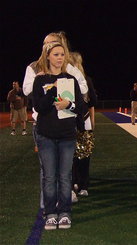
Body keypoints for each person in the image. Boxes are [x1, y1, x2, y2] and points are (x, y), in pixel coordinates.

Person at [22, 31, 88, 211]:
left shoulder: (68, 67)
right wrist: (43, 81)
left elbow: (83, 86)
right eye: (46, 43)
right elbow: (27, 90)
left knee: (65, 170)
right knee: (47, 171)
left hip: (65, 122)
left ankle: (64, 203)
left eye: (53, 43)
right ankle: (48, 206)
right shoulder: (34, 67)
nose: (49, 46)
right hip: (43, 123)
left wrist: (67, 89)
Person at [33, 42, 84, 230]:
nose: (60, 57)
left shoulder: (71, 79)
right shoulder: (40, 81)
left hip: (67, 136)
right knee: (49, 177)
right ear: (48, 56)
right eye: (56, 54)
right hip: (46, 135)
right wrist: (54, 88)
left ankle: (64, 212)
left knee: (64, 177)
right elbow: (39, 107)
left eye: (62, 54)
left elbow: (80, 107)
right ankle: (50, 213)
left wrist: (68, 105)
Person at [70, 51, 97, 199]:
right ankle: (74, 183)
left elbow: (93, 102)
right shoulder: (63, 80)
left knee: (84, 154)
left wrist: (92, 121)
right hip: (68, 121)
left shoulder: (86, 80)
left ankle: (83, 184)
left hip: (84, 120)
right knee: (70, 154)